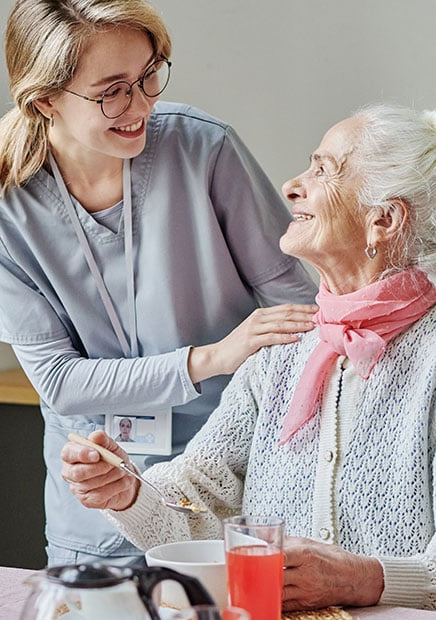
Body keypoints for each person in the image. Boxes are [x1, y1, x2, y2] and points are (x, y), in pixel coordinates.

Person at [0, 0, 317, 567]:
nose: (140, 105)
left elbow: (299, 307)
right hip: (100, 486)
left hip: (229, 478)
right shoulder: (1, 208)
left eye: (148, 75)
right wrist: (211, 358)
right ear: (44, 101)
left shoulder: (202, 147)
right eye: (112, 90)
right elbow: (59, 382)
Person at [62, 103, 436, 611]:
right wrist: (128, 493)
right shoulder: (283, 348)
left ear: (384, 219)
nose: (291, 185)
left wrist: (368, 579)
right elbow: (200, 502)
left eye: (322, 170)